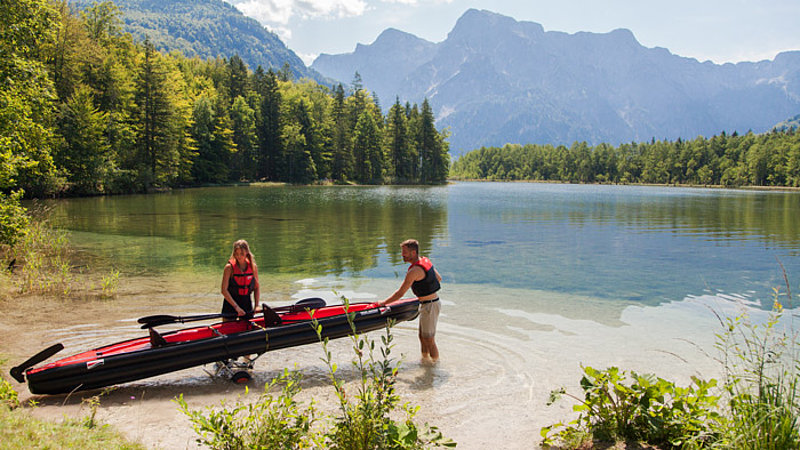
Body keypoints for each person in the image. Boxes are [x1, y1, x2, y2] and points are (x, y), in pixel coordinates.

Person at [379, 239, 442, 362]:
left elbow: (400, 293)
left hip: (430, 305)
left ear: (413, 253)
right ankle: (425, 361)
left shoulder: (414, 271)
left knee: (429, 339)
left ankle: (435, 366)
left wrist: (383, 303)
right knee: (422, 337)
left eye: (404, 252)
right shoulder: (425, 261)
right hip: (429, 304)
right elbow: (438, 278)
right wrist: (425, 290)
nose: (402, 255)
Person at [221, 239, 260, 321]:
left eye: (241, 254)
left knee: (247, 330)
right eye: (237, 254)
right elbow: (224, 290)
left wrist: (256, 305)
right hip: (230, 304)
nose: (239, 256)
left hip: (246, 303)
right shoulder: (229, 268)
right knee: (228, 329)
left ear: (247, 252)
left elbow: (256, 287)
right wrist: (236, 307)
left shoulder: (253, 267)